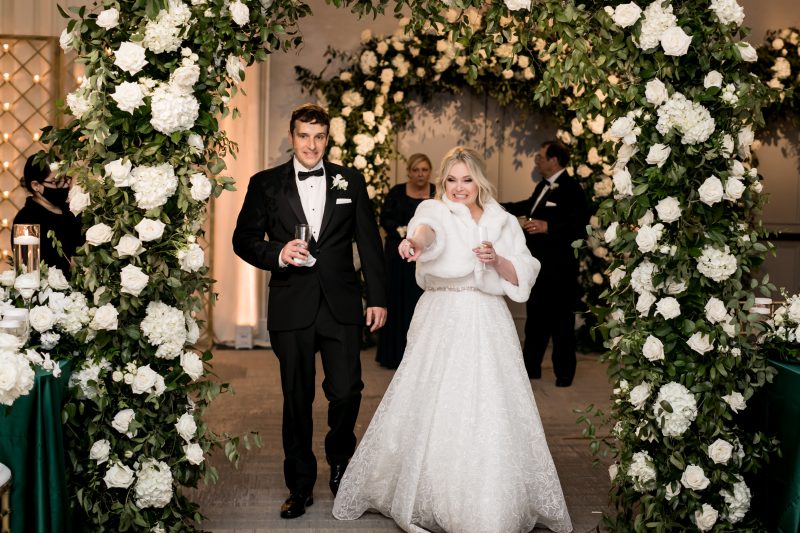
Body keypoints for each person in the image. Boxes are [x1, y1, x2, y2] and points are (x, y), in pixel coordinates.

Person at [332, 147, 572, 533]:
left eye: (466, 179)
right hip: (443, 314)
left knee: (490, 403)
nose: (458, 188)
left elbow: (523, 270)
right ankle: (427, 491)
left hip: (488, 318)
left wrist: (496, 260)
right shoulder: (433, 210)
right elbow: (426, 234)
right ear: (443, 182)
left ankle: (487, 500)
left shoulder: (502, 220)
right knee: (434, 399)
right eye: (451, 180)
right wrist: (414, 244)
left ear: (479, 181)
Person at [232, 104, 387, 519]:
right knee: (296, 398)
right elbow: (243, 239)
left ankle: (340, 464)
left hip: (340, 304)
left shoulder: (349, 181)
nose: (311, 144)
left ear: (327, 139)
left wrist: (377, 297)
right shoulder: (265, 184)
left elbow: (369, 243)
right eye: (304, 136)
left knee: (347, 390)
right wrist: (277, 252)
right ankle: (299, 486)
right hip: (292, 304)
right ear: (292, 136)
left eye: (319, 137)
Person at [502, 140, 589, 387]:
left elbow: (581, 227)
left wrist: (547, 226)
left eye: (540, 157)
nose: (537, 162)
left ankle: (564, 374)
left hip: (561, 270)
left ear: (554, 160)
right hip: (539, 267)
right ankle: (531, 369)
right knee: (536, 321)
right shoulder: (543, 186)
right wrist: (497, 207)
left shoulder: (572, 189)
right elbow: (526, 207)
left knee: (562, 324)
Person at [375, 153, 435, 369]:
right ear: (409, 172)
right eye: (416, 170)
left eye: (424, 170)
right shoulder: (397, 192)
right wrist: (400, 231)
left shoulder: (436, 193)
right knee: (397, 303)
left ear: (430, 171)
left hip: (425, 259)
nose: (420, 174)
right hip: (398, 258)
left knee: (419, 304)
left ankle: (420, 358)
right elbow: (385, 219)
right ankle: (394, 355)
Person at [12, 152, 82, 273]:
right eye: (56, 181)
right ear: (36, 185)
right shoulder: (25, 219)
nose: (65, 185)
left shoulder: (72, 208)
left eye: (65, 178)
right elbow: (29, 271)